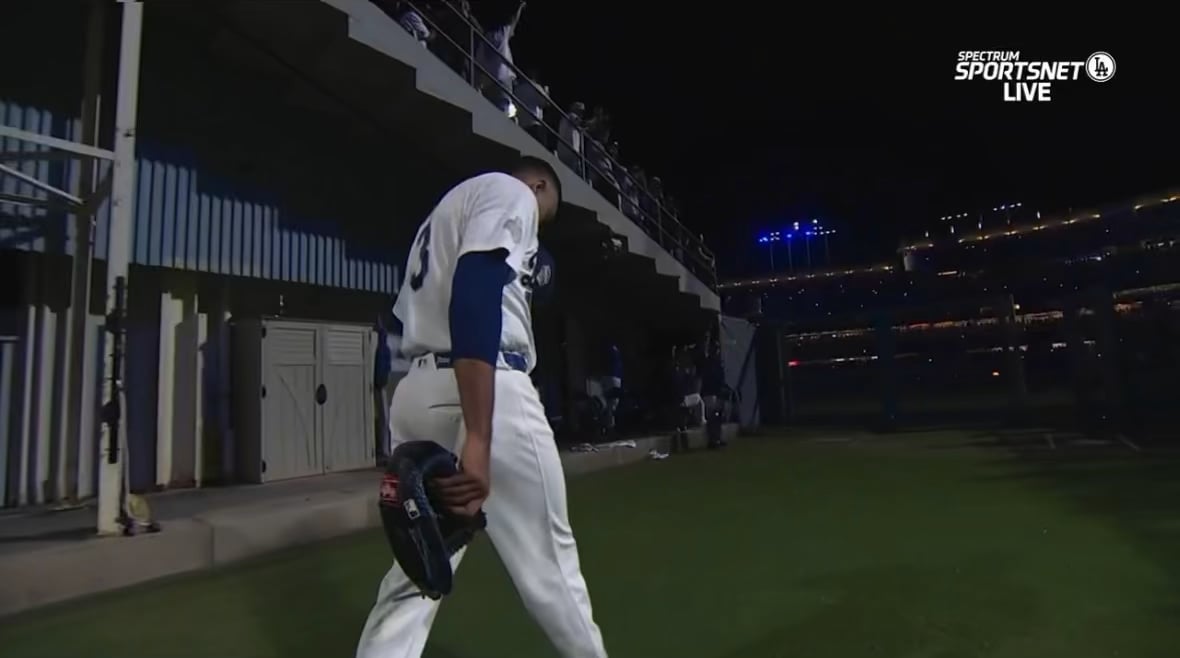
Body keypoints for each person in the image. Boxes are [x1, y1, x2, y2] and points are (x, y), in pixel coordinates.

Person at [355, 156, 608, 658]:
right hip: (485, 386)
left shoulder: (440, 219)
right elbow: (474, 292)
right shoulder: (510, 193)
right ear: (537, 185)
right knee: (550, 565)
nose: (537, 222)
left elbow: (409, 317)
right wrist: (478, 434)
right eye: (544, 209)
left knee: (419, 568)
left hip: (418, 387)